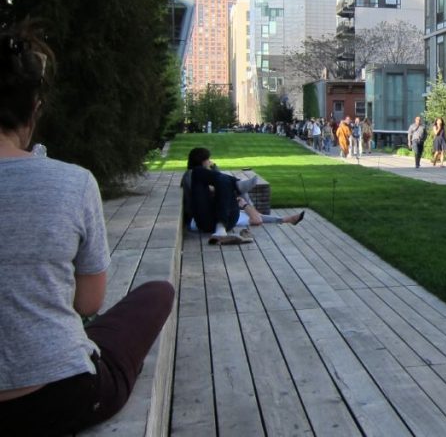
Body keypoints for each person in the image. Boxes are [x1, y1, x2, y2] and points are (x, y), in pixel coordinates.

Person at [0, 24, 175, 435]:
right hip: (59, 395)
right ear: (35, 109)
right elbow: (88, 301)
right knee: (157, 293)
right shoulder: (71, 182)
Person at [181, 147, 304, 244]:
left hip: (225, 219)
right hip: (205, 220)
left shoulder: (208, 178)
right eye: (208, 160)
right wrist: (245, 204)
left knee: (224, 183)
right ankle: (237, 184)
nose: (210, 162)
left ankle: (221, 228)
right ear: (202, 161)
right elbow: (257, 218)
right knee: (221, 181)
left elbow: (257, 217)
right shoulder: (192, 174)